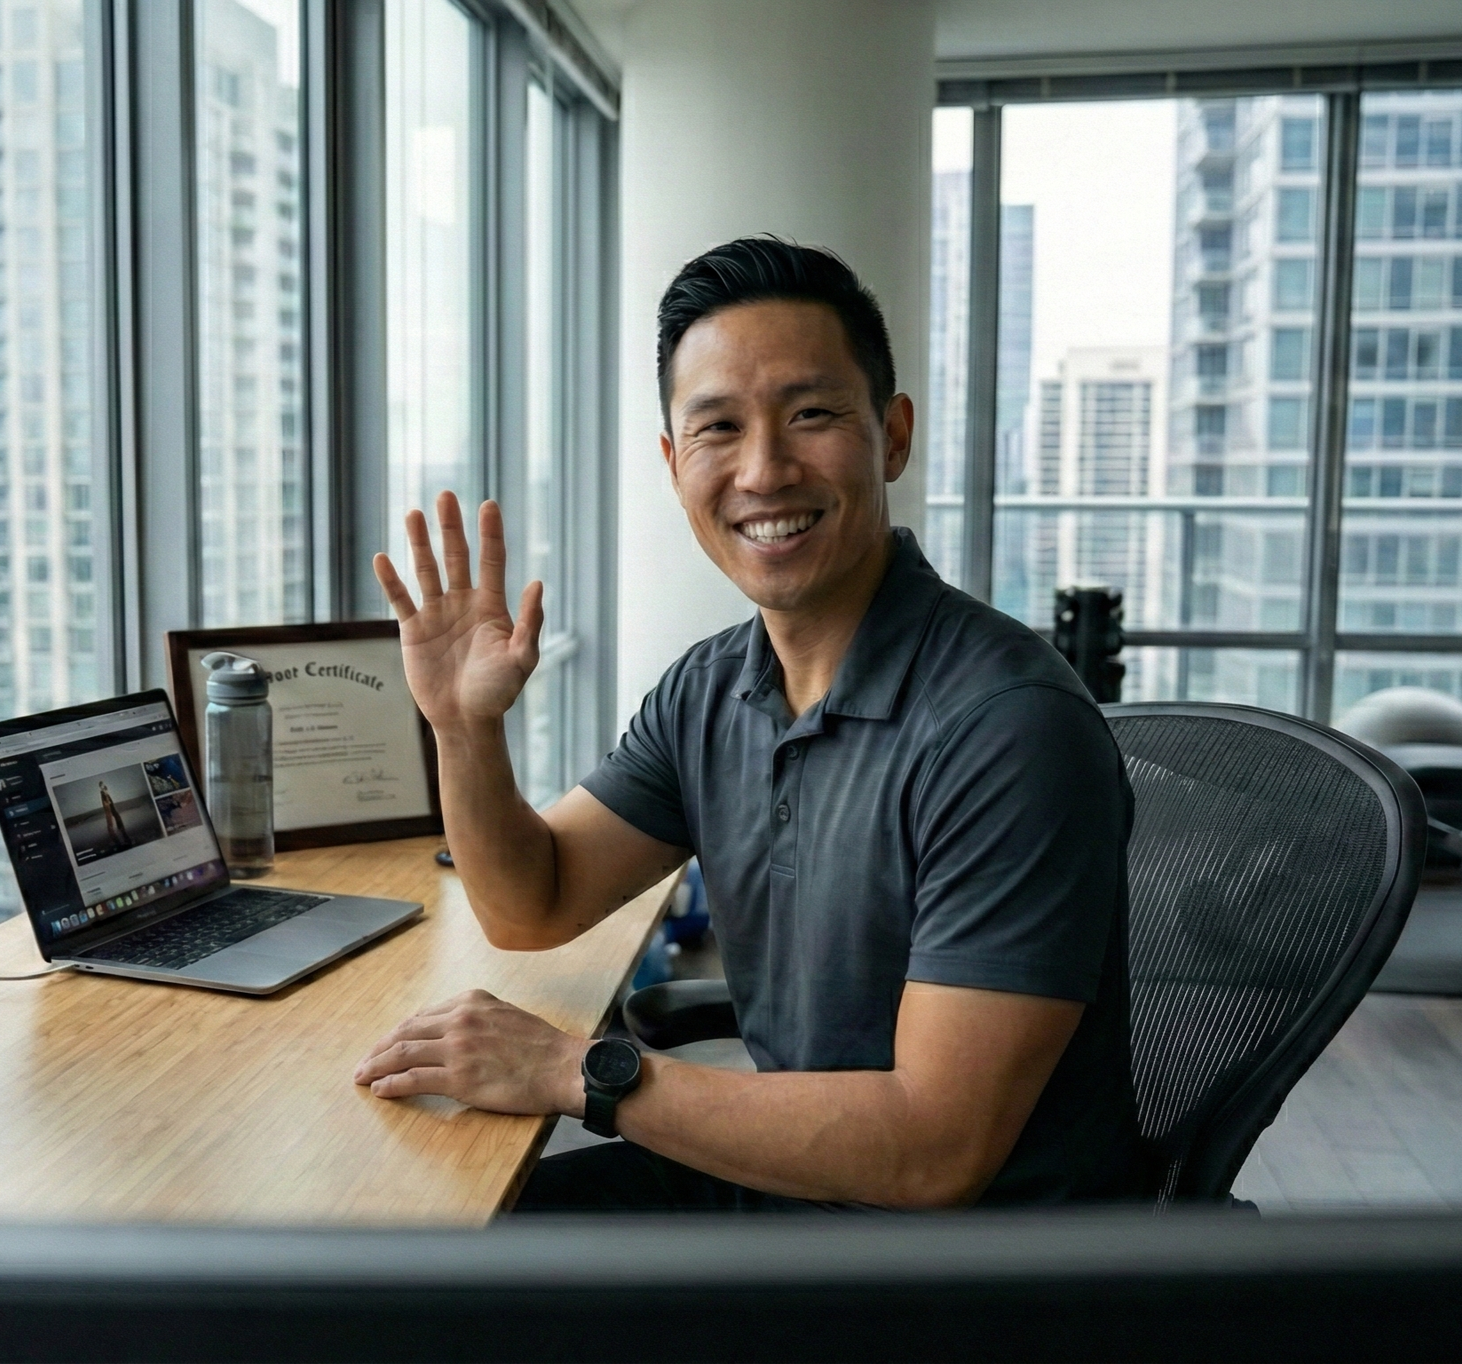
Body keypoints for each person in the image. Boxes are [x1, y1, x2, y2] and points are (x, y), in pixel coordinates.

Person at [352, 236, 1141, 1210]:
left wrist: (577, 1070)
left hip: (972, 1274)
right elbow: (531, 904)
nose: (764, 470)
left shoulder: (1007, 728)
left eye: (811, 415)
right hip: (807, 1186)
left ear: (892, 434)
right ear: (674, 459)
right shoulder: (712, 688)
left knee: (450, 1288)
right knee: (434, 1247)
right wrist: (464, 731)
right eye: (718, 428)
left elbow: (936, 1150)